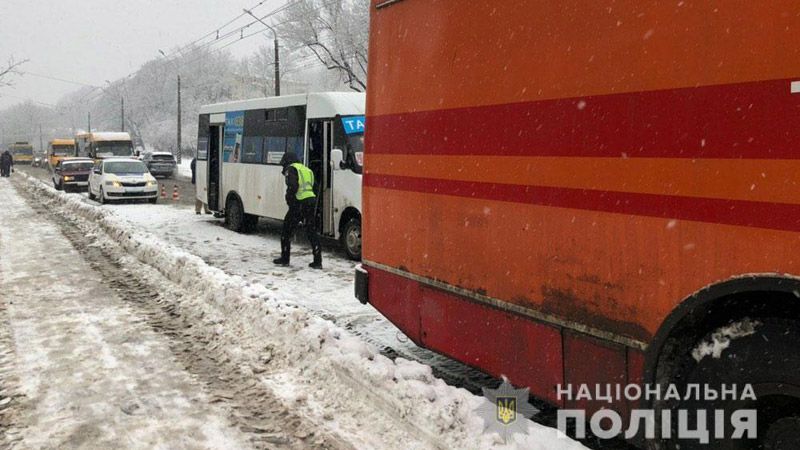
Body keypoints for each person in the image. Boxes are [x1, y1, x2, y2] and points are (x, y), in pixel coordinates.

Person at [273, 152, 322, 269]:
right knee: (311, 231)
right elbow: (315, 187)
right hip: (310, 201)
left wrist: (290, 202)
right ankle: (318, 261)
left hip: (298, 203)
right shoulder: (307, 170)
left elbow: (293, 187)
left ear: (287, 161)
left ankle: (285, 259)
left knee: (286, 231)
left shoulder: (291, 169)